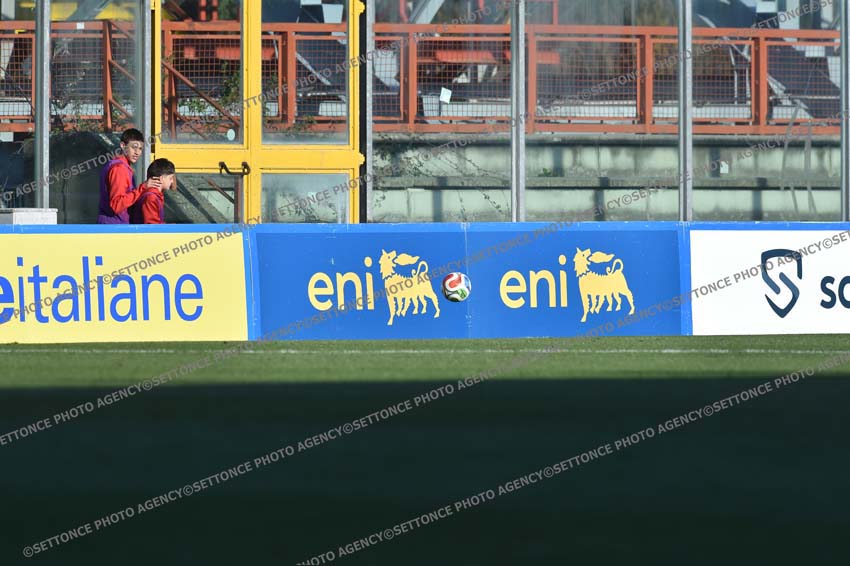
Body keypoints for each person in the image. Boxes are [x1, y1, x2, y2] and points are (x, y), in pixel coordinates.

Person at [97, 128, 161, 224]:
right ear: (123, 145)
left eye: (140, 149)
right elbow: (117, 205)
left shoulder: (121, 166)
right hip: (114, 227)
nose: (137, 152)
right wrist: (143, 188)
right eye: (134, 147)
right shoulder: (119, 169)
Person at [130, 159, 175, 224]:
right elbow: (152, 226)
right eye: (170, 178)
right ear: (161, 179)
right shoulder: (151, 198)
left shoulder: (155, 196)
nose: (172, 181)